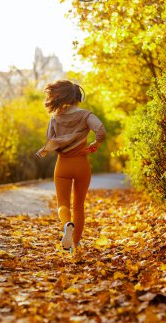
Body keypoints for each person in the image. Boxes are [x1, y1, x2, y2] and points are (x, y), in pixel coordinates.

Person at [36, 80, 106, 251]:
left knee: (63, 203)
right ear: (78, 97)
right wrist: (96, 143)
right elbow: (101, 130)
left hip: (63, 166)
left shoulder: (55, 117)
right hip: (81, 164)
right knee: (79, 206)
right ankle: (75, 243)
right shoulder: (86, 115)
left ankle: (67, 224)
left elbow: (50, 139)